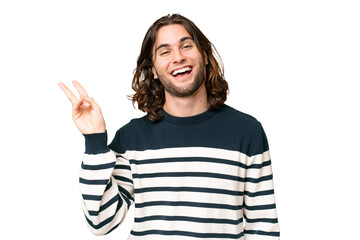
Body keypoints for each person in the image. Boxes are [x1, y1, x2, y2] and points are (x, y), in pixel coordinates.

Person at [59, 14, 280, 239]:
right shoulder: (132, 138)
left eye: (186, 46)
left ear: (204, 56)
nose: (178, 58)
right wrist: (95, 141)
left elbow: (263, 228)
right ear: (154, 69)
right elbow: (101, 222)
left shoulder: (247, 131)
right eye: (165, 52)